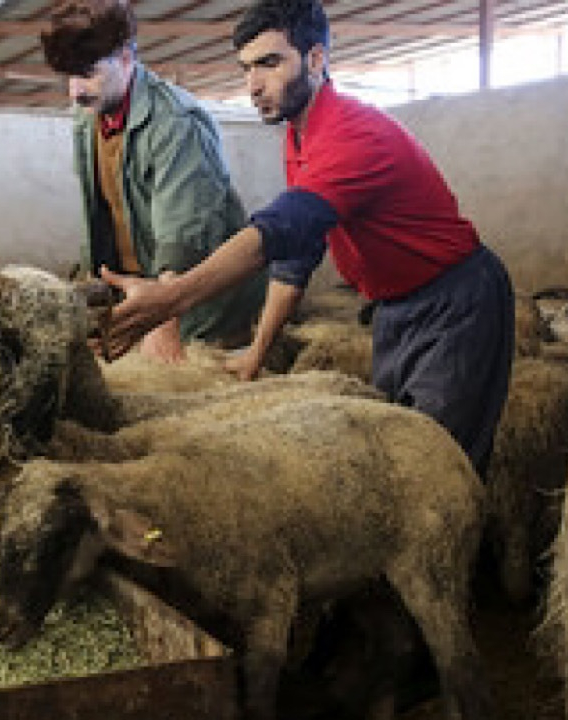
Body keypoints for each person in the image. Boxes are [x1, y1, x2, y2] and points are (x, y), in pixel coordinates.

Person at [99, 0, 514, 477]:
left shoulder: (352, 134)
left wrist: (173, 298)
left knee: (438, 469)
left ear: (316, 60)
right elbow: (297, 256)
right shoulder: (298, 139)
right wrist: (257, 352)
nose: (254, 86)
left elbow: (279, 229)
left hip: (455, 302)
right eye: (247, 69)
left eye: (270, 63)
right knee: (399, 454)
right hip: (393, 310)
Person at [40, 0, 267, 362]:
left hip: (201, 305)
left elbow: (184, 233)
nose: (74, 90)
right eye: (68, 76)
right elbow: (101, 214)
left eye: (87, 72)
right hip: (143, 293)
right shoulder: (88, 117)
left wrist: (163, 321)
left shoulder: (177, 122)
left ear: (127, 57)